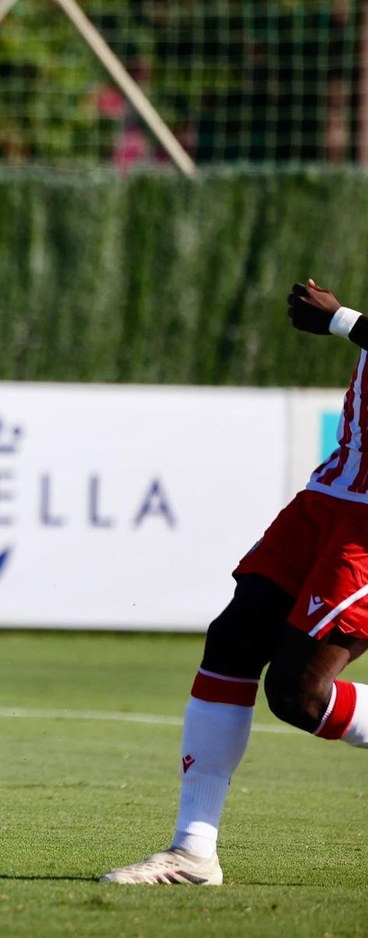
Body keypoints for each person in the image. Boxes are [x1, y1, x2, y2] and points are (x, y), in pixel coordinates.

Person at [100, 280, 368, 885]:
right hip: (329, 494)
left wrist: (340, 319)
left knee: (297, 694)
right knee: (233, 640)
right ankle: (193, 851)